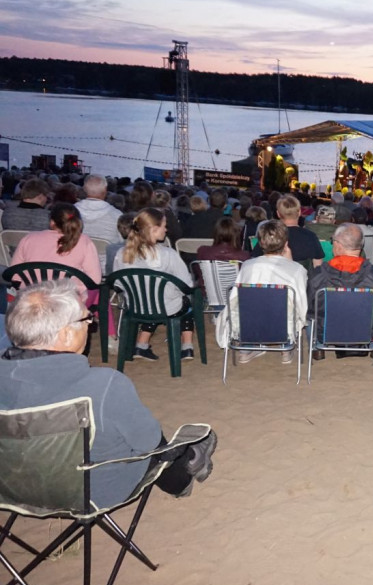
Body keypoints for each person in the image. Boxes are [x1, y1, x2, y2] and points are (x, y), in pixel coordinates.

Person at [0, 281, 217, 507]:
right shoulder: (103, 385)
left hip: (12, 489)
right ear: (64, 335)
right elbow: (149, 443)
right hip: (91, 493)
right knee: (149, 440)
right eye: (86, 320)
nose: (91, 325)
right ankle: (182, 476)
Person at [112, 208, 196, 362]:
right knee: (186, 303)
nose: (166, 229)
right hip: (167, 308)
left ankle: (141, 345)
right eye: (164, 225)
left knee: (152, 301)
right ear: (154, 229)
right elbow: (186, 285)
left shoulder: (121, 254)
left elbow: (118, 284)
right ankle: (187, 346)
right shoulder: (168, 255)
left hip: (136, 306)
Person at [225, 220, 308, 365]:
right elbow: (301, 305)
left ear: (261, 243)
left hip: (248, 325)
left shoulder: (247, 266)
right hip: (283, 328)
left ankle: (247, 348)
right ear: (286, 243)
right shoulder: (296, 269)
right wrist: (290, 261)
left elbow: (234, 300)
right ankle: (285, 349)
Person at [307, 224, 373, 359]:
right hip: (365, 332)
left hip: (326, 332)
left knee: (311, 313)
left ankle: (317, 348)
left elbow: (310, 308)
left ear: (338, 245)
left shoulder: (318, 274)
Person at [11, 203, 101, 286]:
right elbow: (94, 279)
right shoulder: (84, 241)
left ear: (52, 222)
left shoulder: (29, 238)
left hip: (30, 297)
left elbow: (14, 274)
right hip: (67, 299)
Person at [75, 174, 122, 244]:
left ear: (84, 189)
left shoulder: (70, 212)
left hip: (77, 254)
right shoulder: (117, 215)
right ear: (105, 190)